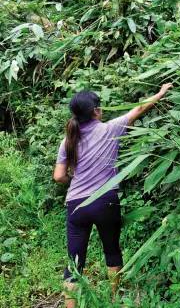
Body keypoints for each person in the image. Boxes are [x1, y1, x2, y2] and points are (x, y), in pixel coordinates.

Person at [53, 82, 173, 308]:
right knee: (112, 251)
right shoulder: (110, 129)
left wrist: (74, 182)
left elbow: (59, 176)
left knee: (74, 262)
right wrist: (160, 93)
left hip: (76, 205)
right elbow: (139, 109)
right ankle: (114, 299)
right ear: (96, 111)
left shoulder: (67, 140)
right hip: (105, 201)